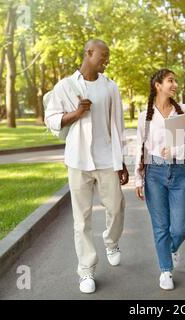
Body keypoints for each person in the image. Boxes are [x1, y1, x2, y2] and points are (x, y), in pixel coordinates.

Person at [44, 39, 129, 294]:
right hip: (78, 160)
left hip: (106, 160)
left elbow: (118, 125)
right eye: (103, 55)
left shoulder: (110, 87)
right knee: (81, 220)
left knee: (116, 207)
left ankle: (111, 242)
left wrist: (121, 160)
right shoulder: (65, 86)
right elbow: (52, 120)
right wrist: (76, 114)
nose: (107, 60)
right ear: (88, 53)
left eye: (108, 56)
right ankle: (86, 270)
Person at [135, 69, 185, 290]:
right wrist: (138, 179)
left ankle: (171, 249)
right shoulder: (145, 115)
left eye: (175, 81)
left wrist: (175, 150)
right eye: (170, 81)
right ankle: (165, 270)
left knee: (181, 226)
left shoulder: (184, 111)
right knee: (160, 226)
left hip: (179, 171)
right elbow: (139, 148)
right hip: (154, 174)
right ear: (158, 85)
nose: (175, 84)